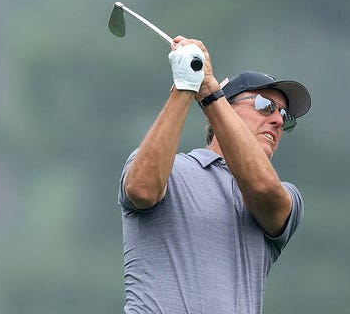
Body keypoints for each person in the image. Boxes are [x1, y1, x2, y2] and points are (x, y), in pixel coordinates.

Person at [117, 36, 311, 313]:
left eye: (284, 115)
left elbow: (263, 188)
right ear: (224, 109)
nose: (279, 120)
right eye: (265, 105)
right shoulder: (169, 168)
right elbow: (142, 189)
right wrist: (186, 86)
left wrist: (207, 89)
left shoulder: (286, 195)